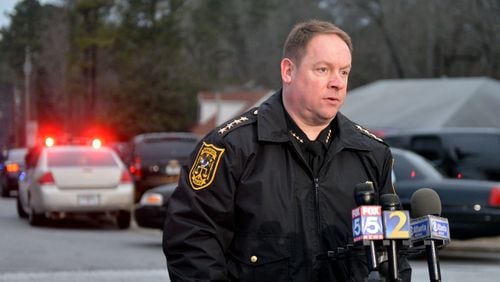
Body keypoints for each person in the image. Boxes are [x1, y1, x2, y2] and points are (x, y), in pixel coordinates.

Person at [163, 19, 411, 281]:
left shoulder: (371, 153)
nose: (337, 83)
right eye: (323, 69)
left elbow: (394, 253)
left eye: (344, 72)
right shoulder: (231, 147)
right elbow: (192, 242)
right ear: (288, 71)